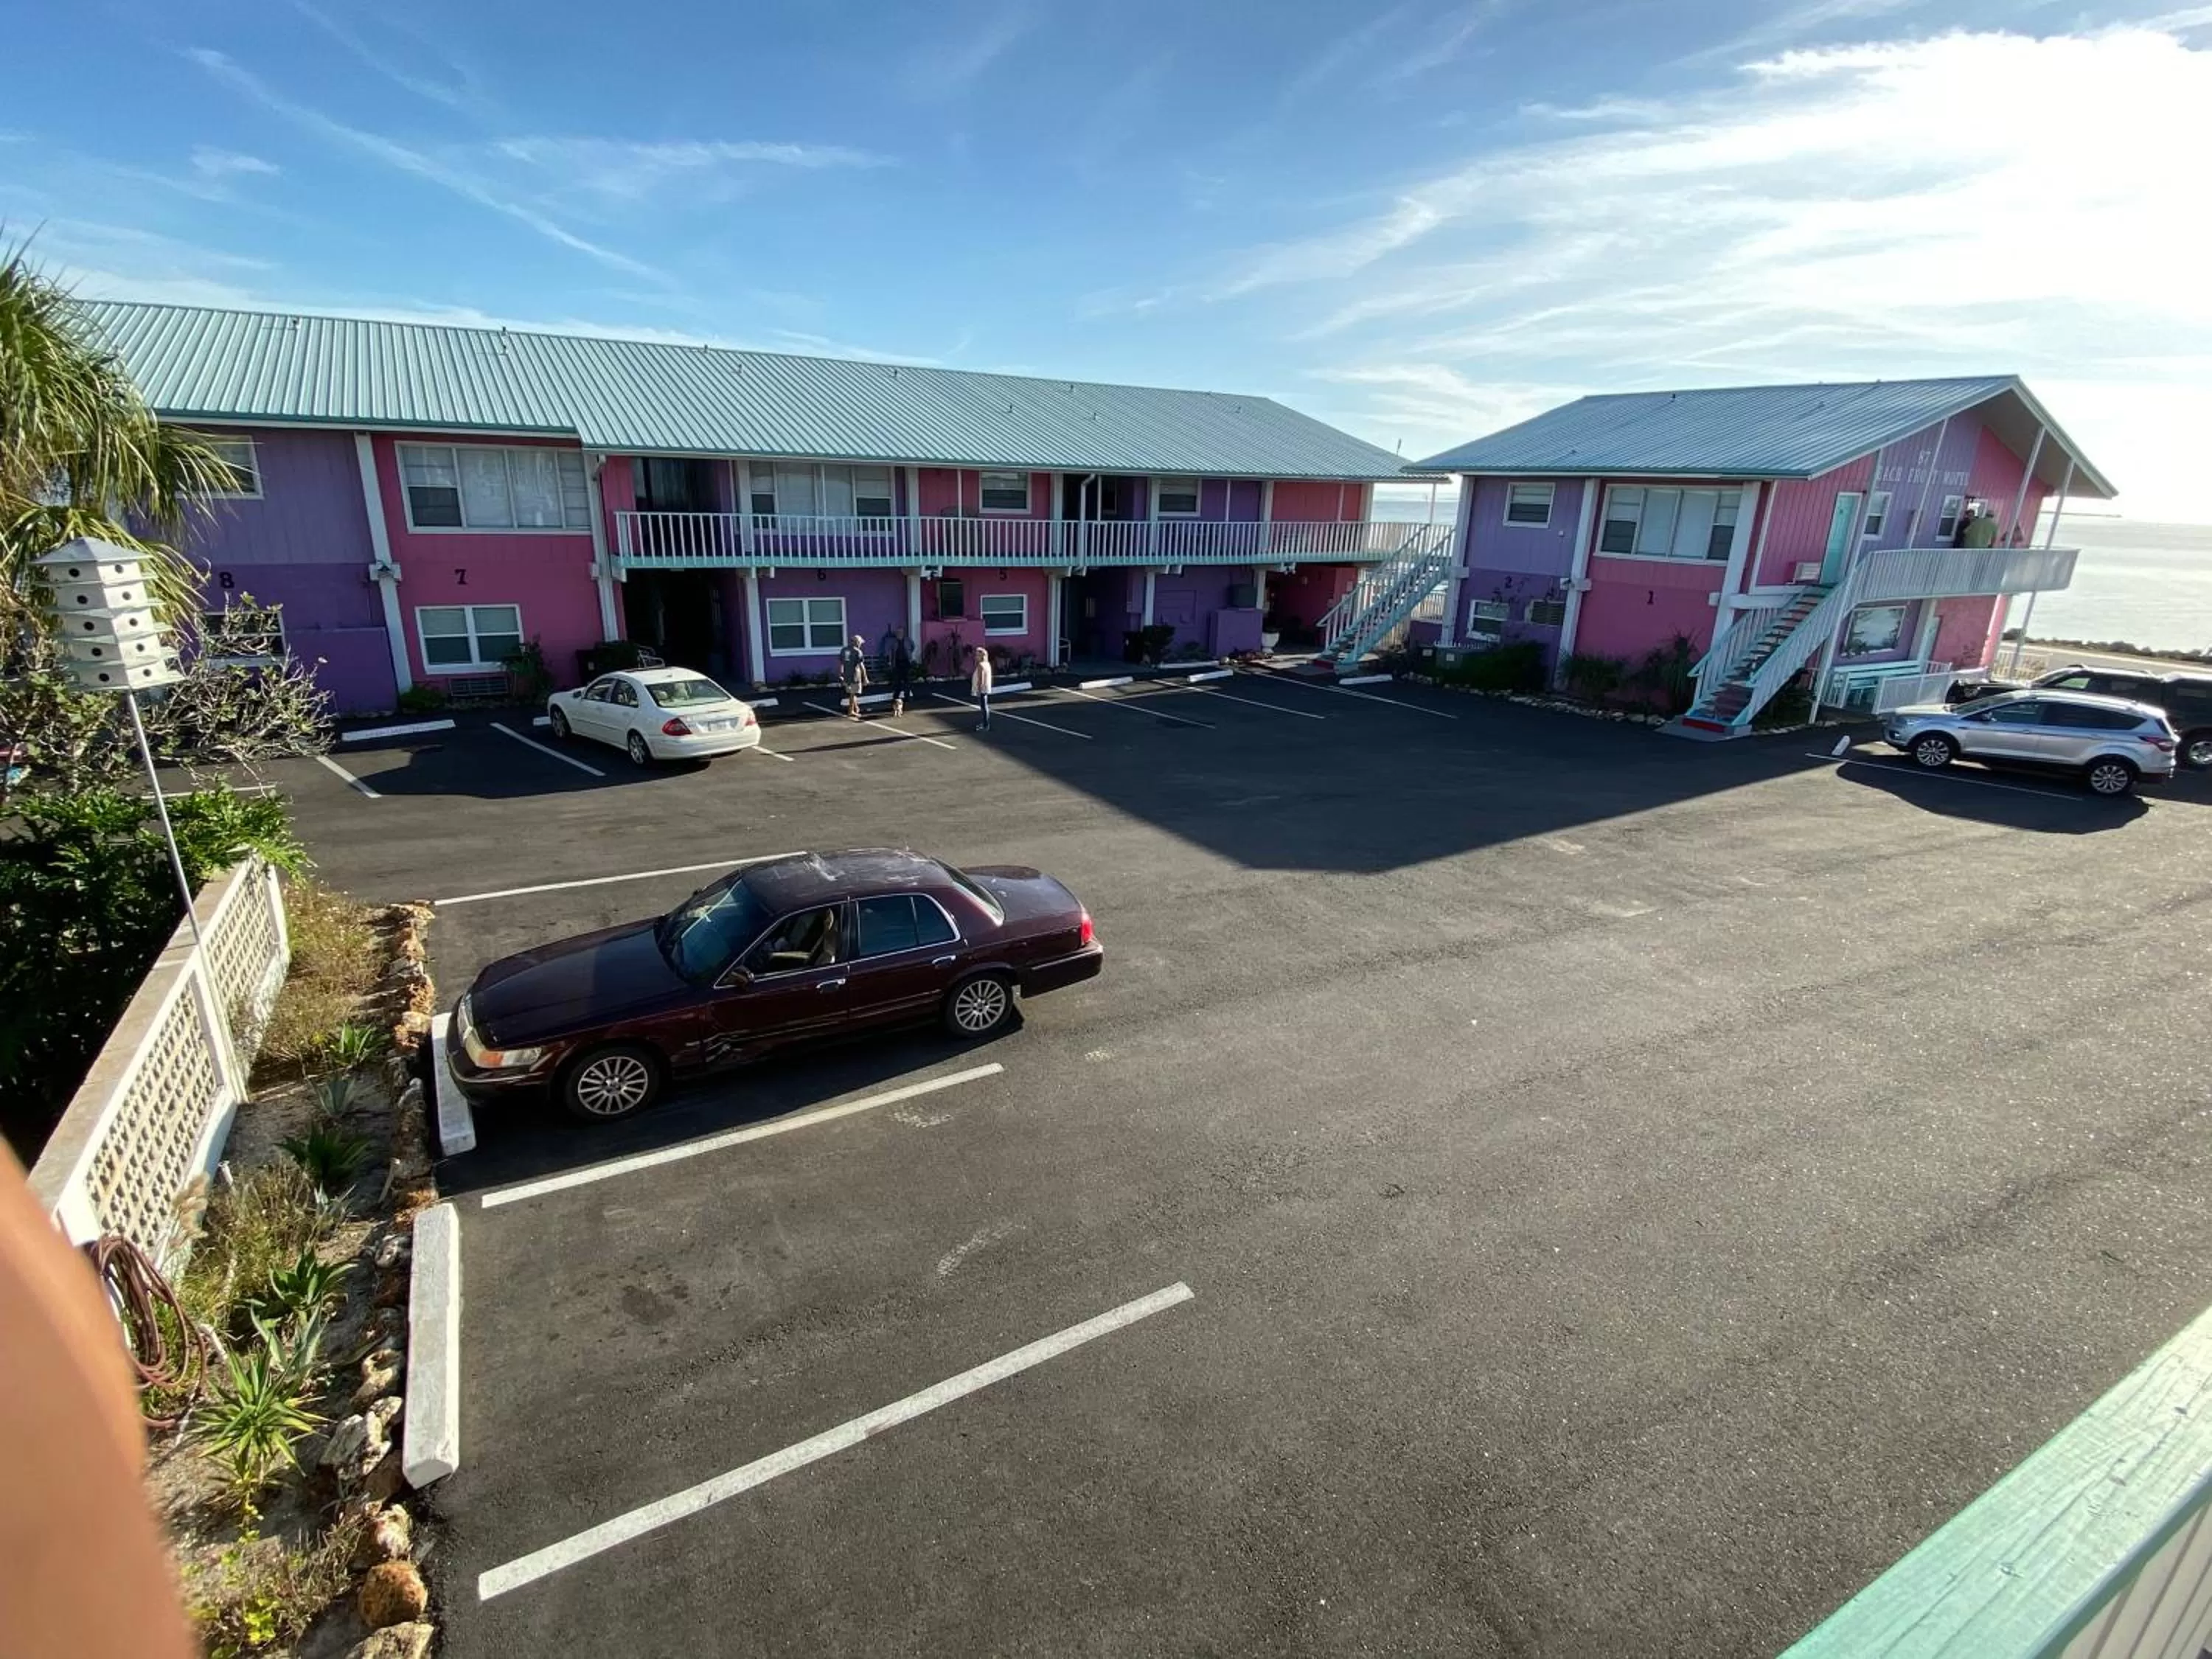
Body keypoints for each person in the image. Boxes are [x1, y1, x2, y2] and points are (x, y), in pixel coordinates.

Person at [884, 625, 915, 716]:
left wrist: (909, 655)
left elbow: (913, 647)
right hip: (897, 663)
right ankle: (896, 697)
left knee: (907, 680)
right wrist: (890, 662)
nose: (899, 634)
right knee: (897, 681)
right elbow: (891, 653)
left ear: (903, 633)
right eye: (897, 633)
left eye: (901, 633)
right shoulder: (894, 642)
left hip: (906, 662)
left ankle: (907, 696)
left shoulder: (908, 641)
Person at [837, 633, 869, 720]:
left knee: (851, 692)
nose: (861, 645)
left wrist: (841, 674)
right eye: (860, 643)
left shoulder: (844, 650)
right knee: (853, 693)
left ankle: (856, 707)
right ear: (857, 643)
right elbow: (861, 665)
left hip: (846, 675)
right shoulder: (858, 652)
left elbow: (841, 663)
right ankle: (851, 711)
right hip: (855, 675)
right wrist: (865, 677)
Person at [970, 643, 994, 731]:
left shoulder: (981, 665)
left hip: (982, 689)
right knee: (984, 707)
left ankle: (985, 725)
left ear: (981, 656)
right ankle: (985, 724)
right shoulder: (987, 664)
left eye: (977, 655)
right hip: (986, 688)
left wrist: (979, 690)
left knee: (984, 707)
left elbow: (981, 678)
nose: (976, 657)